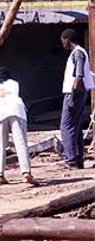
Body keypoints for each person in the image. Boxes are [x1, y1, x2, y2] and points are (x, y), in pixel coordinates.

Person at [60, 28, 94, 169]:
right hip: (79, 93)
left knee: (66, 126)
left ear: (67, 39)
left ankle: (71, 159)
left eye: (63, 40)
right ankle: (78, 159)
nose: (62, 43)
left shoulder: (78, 53)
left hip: (75, 93)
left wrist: (73, 95)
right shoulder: (78, 53)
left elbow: (79, 75)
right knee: (76, 126)